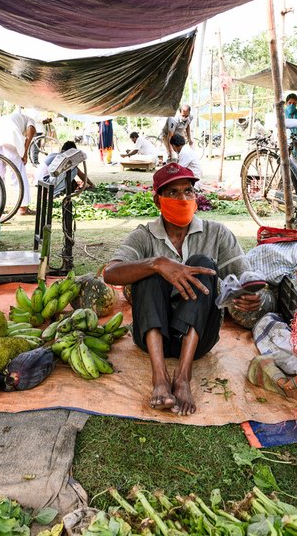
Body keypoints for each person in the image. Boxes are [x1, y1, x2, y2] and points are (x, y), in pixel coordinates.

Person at [103, 163, 261, 415]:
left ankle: (183, 377)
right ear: (158, 201)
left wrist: (247, 296)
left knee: (202, 264)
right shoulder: (144, 236)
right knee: (150, 271)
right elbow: (110, 273)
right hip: (153, 337)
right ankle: (160, 378)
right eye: (173, 193)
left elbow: (244, 279)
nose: (183, 198)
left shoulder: (216, 233)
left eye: (188, 191)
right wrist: (157, 263)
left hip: (200, 340)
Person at [0, 110, 37, 215]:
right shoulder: (30, 119)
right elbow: (30, 132)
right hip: (10, 136)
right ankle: (23, 207)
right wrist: (25, 152)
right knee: (18, 172)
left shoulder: (12, 117)